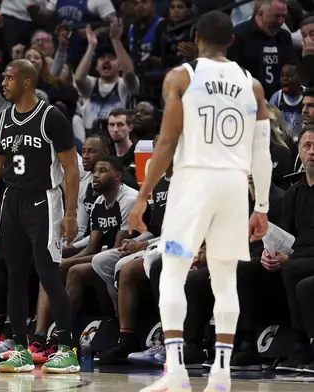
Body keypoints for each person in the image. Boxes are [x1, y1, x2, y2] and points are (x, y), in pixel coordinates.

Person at [128, 11, 272, 392]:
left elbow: (167, 142)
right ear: (233, 41)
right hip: (234, 186)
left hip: (193, 180)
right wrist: (262, 208)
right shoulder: (252, 85)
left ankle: (175, 371)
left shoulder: (182, 77)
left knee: (172, 273)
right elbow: (262, 154)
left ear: (194, 37)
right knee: (226, 281)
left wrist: (143, 195)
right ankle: (221, 376)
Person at [0, 59, 81, 374]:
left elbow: (70, 168)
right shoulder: (2, 120)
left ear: (27, 82)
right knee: (13, 275)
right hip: (13, 202)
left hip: (44, 200)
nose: (3, 83)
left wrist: (70, 212)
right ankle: (21, 349)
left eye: (10, 78)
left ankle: (68, 349)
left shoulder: (51, 117)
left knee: (48, 273)